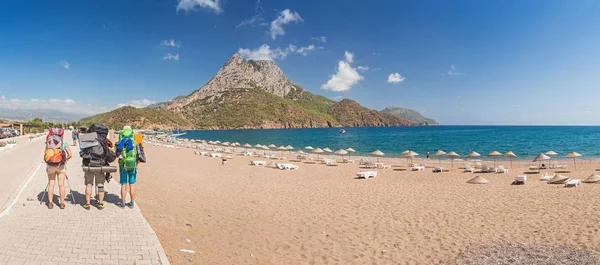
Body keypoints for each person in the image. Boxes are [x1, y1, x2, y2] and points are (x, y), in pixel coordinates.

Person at [80, 124, 115, 210]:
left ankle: (87, 204)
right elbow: (110, 149)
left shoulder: (89, 138)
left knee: (89, 184)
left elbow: (82, 150)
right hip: (101, 165)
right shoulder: (104, 140)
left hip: (89, 165)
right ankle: (100, 204)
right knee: (100, 184)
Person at [44, 128, 72, 209]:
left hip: (51, 166)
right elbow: (70, 155)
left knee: (51, 184)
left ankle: (50, 203)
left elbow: (46, 155)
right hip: (61, 166)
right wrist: (64, 160)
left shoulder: (48, 142)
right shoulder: (64, 143)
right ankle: (62, 203)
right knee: (61, 185)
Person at [116, 126, 138, 208]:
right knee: (132, 184)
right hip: (133, 164)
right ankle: (132, 203)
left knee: (123, 184)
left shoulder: (121, 142)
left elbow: (117, 153)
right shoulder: (134, 141)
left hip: (123, 164)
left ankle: (123, 203)